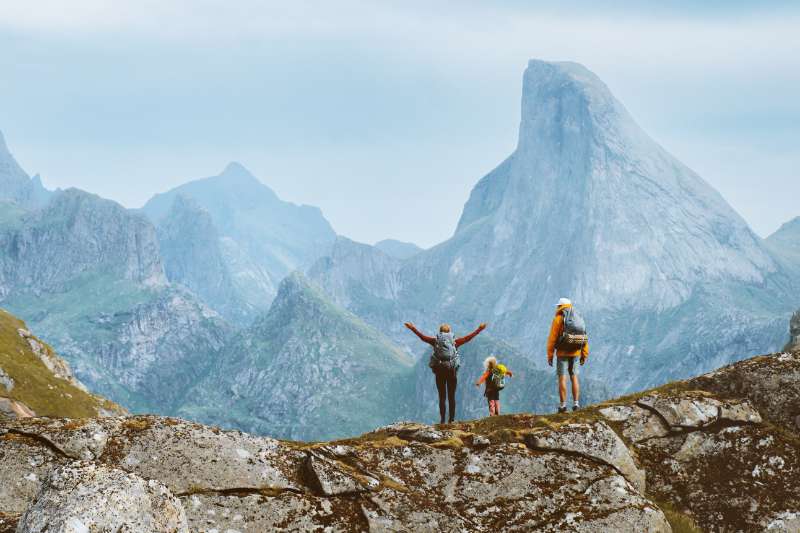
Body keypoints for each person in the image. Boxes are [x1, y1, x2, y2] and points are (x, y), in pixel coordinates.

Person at [404, 321, 487, 424]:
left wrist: (412, 328)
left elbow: (422, 337)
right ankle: (451, 420)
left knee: (442, 397)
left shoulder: (435, 341)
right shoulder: (454, 342)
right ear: (450, 332)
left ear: (440, 332)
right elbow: (468, 338)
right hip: (451, 372)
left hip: (440, 372)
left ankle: (442, 420)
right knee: (451, 397)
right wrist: (479, 329)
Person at [547, 298, 589, 413]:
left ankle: (563, 406)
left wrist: (550, 355)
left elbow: (552, 338)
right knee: (574, 377)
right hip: (576, 351)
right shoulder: (578, 317)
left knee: (562, 378)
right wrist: (584, 354)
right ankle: (576, 404)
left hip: (562, 352)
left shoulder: (558, 319)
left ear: (560, 306)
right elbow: (583, 336)